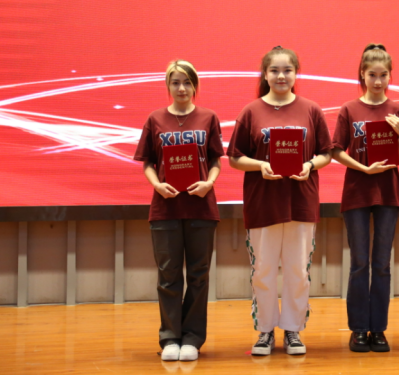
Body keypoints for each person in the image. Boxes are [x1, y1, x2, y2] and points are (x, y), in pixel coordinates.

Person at [227, 46, 333, 356]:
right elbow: (235, 158)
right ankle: (265, 330)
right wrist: (260, 165)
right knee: (263, 270)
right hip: (263, 204)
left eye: (287, 70)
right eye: (274, 70)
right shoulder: (251, 111)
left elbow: (326, 153)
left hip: (301, 202)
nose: (281, 76)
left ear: (296, 73)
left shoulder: (311, 110)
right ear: (265, 74)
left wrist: (309, 165)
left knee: (298, 270)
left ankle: (293, 330)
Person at [134, 60, 224, 362]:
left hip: (201, 208)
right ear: (168, 86)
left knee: (199, 276)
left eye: (187, 82)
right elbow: (148, 162)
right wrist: (157, 185)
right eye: (175, 82)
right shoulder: (155, 119)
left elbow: (215, 160)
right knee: (168, 276)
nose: (182, 88)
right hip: (165, 209)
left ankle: (193, 339)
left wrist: (209, 183)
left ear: (195, 85)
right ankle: (170, 338)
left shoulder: (208, 117)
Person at [331, 44, 399, 353]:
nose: (378, 81)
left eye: (383, 75)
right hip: (357, 191)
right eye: (372, 75)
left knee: (382, 263)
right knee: (359, 262)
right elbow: (336, 150)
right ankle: (358, 329)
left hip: (387, 192)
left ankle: (379, 329)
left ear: (390, 76)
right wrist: (363, 168)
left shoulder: (398, 111)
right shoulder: (349, 109)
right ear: (362, 75)